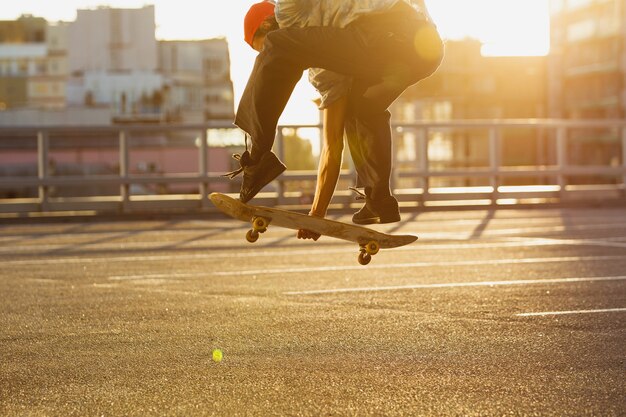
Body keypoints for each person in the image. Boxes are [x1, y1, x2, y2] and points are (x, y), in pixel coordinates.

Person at [227, 0, 443, 239]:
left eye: (261, 50)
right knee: (361, 108)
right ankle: (379, 199)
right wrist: (317, 215)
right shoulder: (328, 69)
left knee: (278, 44)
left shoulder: (289, 10)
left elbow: (280, 41)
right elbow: (332, 147)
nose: (269, 61)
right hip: (421, 50)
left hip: (393, 30)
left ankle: (258, 157)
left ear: (268, 22)